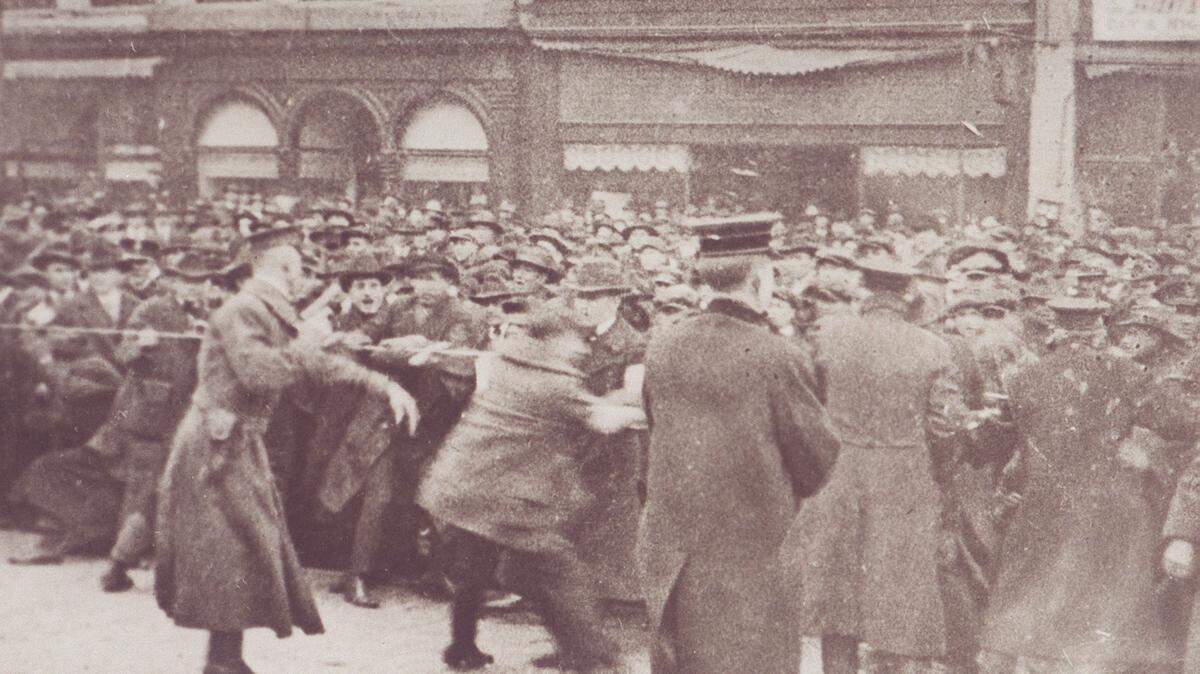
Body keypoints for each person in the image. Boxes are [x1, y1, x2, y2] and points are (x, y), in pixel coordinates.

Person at [154, 225, 420, 674]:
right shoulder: (244, 310)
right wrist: (311, 342)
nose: (305, 279)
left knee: (242, 544)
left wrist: (382, 384)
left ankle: (225, 658)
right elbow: (262, 374)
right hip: (217, 444)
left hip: (233, 440)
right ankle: (222, 661)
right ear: (285, 267)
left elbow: (314, 362)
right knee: (229, 546)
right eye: (300, 268)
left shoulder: (264, 311)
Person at [640, 213, 841, 674]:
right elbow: (817, 460)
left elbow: (654, 427)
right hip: (750, 545)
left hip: (675, 537)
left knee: (683, 654)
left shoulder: (662, 345)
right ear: (759, 279)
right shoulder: (777, 354)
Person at [788, 256, 986, 673]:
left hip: (837, 474)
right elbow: (946, 426)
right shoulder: (932, 346)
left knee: (837, 593)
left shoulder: (827, 336)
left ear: (864, 290)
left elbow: (804, 409)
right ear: (907, 295)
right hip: (904, 477)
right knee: (899, 593)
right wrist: (942, 476)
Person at [977, 298, 1185, 674]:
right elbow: (1180, 421)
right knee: (1097, 621)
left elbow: (997, 446)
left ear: (1056, 325)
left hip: (1043, 508)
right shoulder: (1126, 373)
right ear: (1099, 328)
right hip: (1107, 511)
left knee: (1038, 614)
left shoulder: (1025, 377)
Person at [418, 305, 628, 672]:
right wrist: (639, 405)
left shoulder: (508, 365)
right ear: (550, 341)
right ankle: (595, 661)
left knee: (474, 571)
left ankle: (462, 648)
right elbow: (603, 420)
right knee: (559, 575)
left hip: (466, 486)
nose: (579, 347)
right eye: (572, 339)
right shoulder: (553, 384)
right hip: (506, 496)